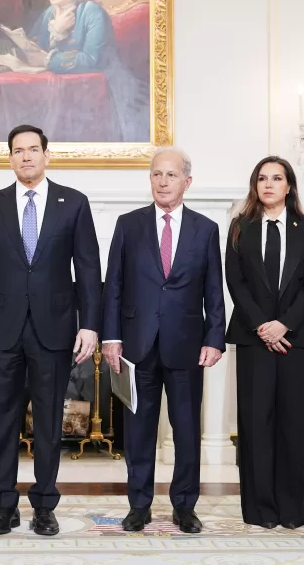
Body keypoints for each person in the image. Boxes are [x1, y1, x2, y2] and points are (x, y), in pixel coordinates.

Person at [0, 124, 102, 536]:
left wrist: (90, 324)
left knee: (47, 422)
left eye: (33, 149)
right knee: (2, 422)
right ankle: (3, 505)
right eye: (18, 150)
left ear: (46, 155)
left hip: (54, 329)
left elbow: (89, 270)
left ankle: (44, 504)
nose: (26, 156)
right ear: (9, 157)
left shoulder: (73, 203)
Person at [101, 146, 225, 534]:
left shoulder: (206, 229)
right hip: (137, 345)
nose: (163, 181)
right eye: (157, 174)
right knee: (137, 432)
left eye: (171, 175)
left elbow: (214, 291)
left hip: (187, 345)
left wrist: (215, 338)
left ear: (187, 181)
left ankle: (184, 507)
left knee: (187, 429)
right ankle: (139, 505)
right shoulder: (128, 224)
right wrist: (111, 337)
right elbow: (114, 287)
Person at [224, 156, 304, 529]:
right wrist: (263, 326)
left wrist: (284, 325)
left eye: (276, 178)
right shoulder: (240, 228)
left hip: (297, 339)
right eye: (262, 178)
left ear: (288, 186)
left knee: (295, 425)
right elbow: (236, 283)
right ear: (255, 185)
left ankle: (294, 511)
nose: (268, 184)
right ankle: (260, 510)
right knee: (255, 424)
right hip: (254, 340)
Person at [27, 0, 149, 142]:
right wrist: (55, 33)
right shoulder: (49, 14)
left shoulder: (91, 11)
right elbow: (36, 47)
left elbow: (90, 60)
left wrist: (48, 60)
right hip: (66, 90)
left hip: (109, 90)